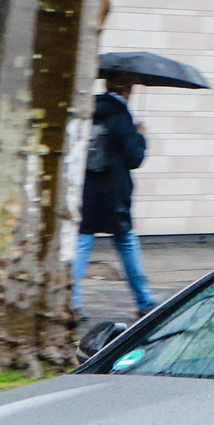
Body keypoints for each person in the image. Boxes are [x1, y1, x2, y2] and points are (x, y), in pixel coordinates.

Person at [76, 73, 156, 316]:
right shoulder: (122, 116)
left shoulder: (90, 110)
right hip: (115, 192)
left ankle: (72, 302)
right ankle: (144, 301)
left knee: (82, 241)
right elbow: (134, 158)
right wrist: (140, 135)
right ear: (128, 90)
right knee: (126, 242)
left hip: (88, 188)